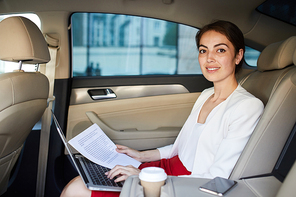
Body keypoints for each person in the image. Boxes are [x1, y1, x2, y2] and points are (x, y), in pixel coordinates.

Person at [60, 20, 264, 197]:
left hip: (186, 185)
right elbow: (182, 148)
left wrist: (143, 176)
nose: (209, 58)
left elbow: (216, 178)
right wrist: (142, 156)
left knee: (76, 190)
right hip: (168, 169)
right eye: (203, 50)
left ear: (238, 56)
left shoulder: (247, 107)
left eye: (220, 50)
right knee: (81, 180)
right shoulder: (205, 95)